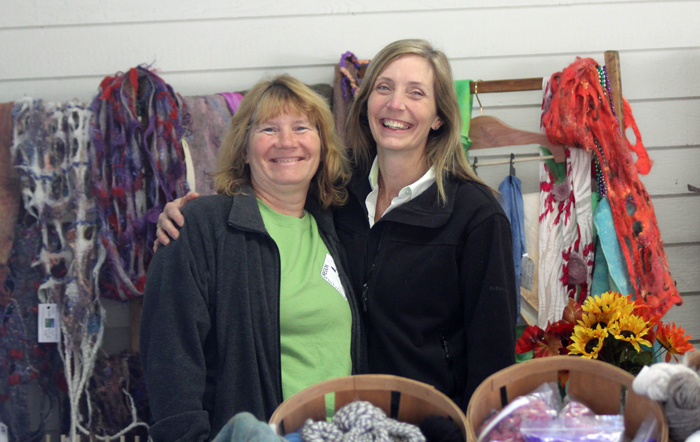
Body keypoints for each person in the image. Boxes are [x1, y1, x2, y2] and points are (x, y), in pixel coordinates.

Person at [155, 39, 516, 410]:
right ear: (366, 102)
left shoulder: (475, 214)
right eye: (384, 87)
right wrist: (186, 220)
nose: (396, 104)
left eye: (416, 93)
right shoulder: (339, 194)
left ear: (439, 116)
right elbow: (271, 193)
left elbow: (493, 360)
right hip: (350, 424)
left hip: (431, 423)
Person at [140, 74, 364, 442]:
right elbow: (170, 355)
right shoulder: (199, 226)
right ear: (244, 149)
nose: (286, 141)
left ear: (323, 146)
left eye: (301, 127)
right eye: (269, 129)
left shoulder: (336, 226)